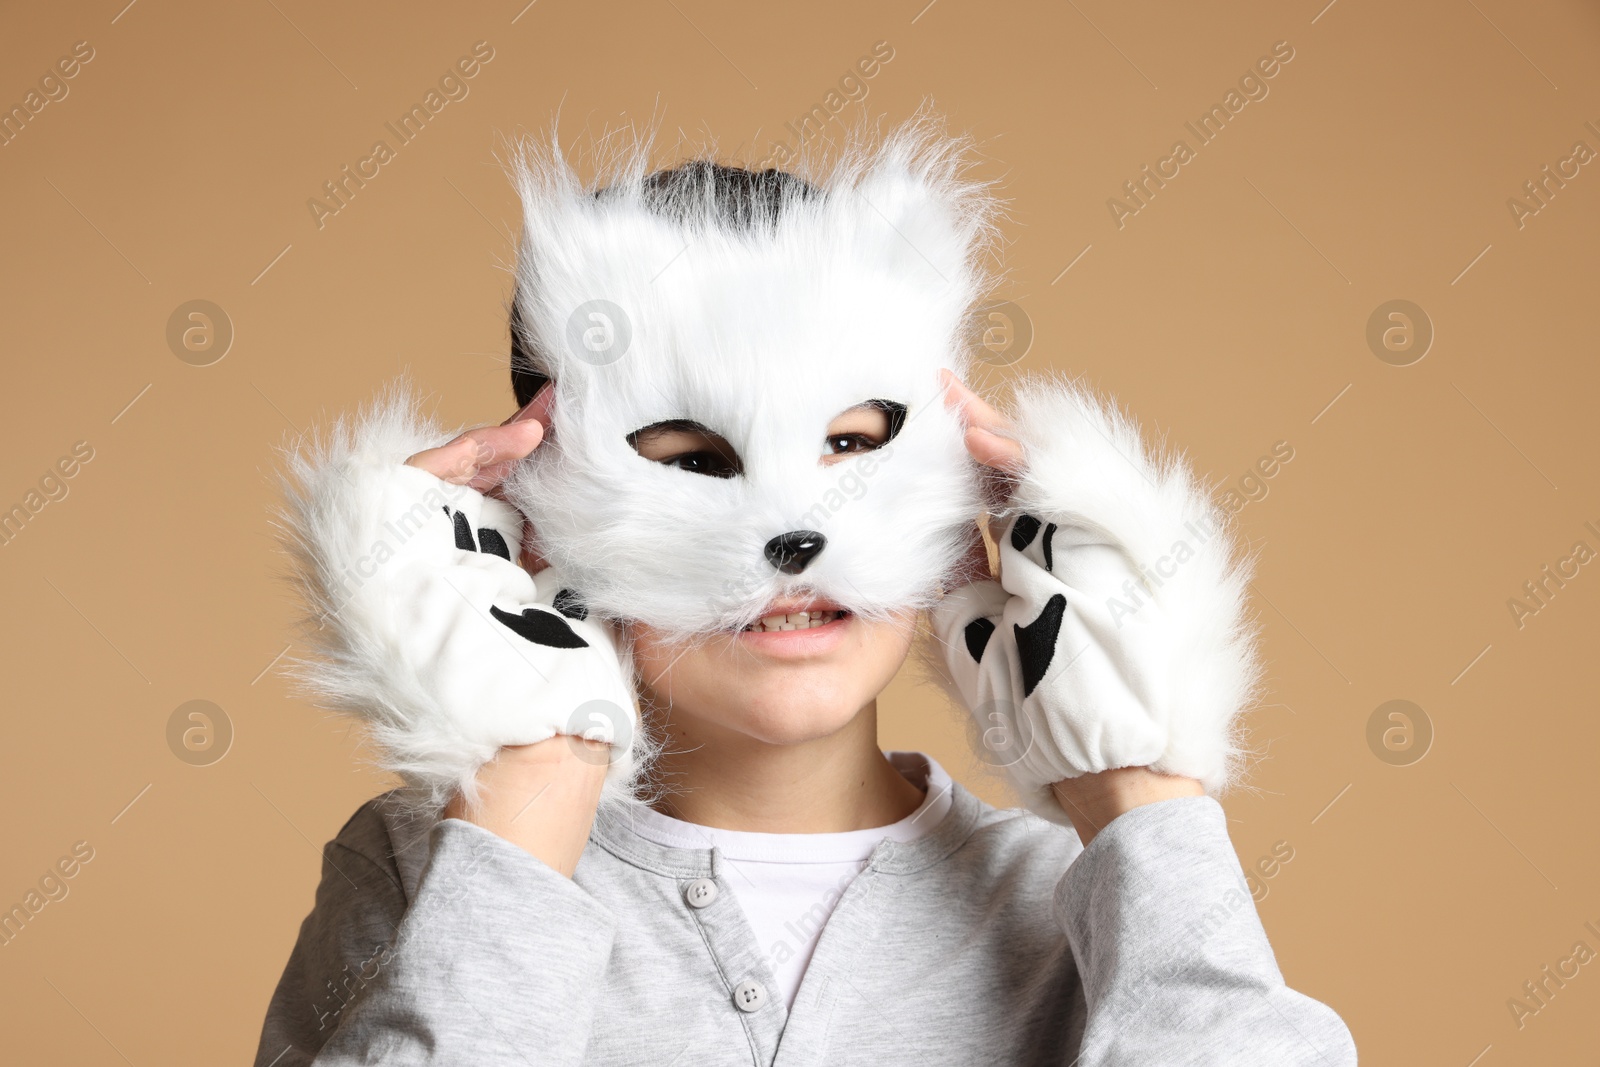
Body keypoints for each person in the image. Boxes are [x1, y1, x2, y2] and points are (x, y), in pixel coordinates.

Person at [254, 113, 1357, 1065]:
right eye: (689, 459)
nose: (794, 533)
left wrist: (1136, 785)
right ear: (533, 508)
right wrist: (531, 776)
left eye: (850, 443)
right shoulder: (439, 864)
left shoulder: (1080, 895)